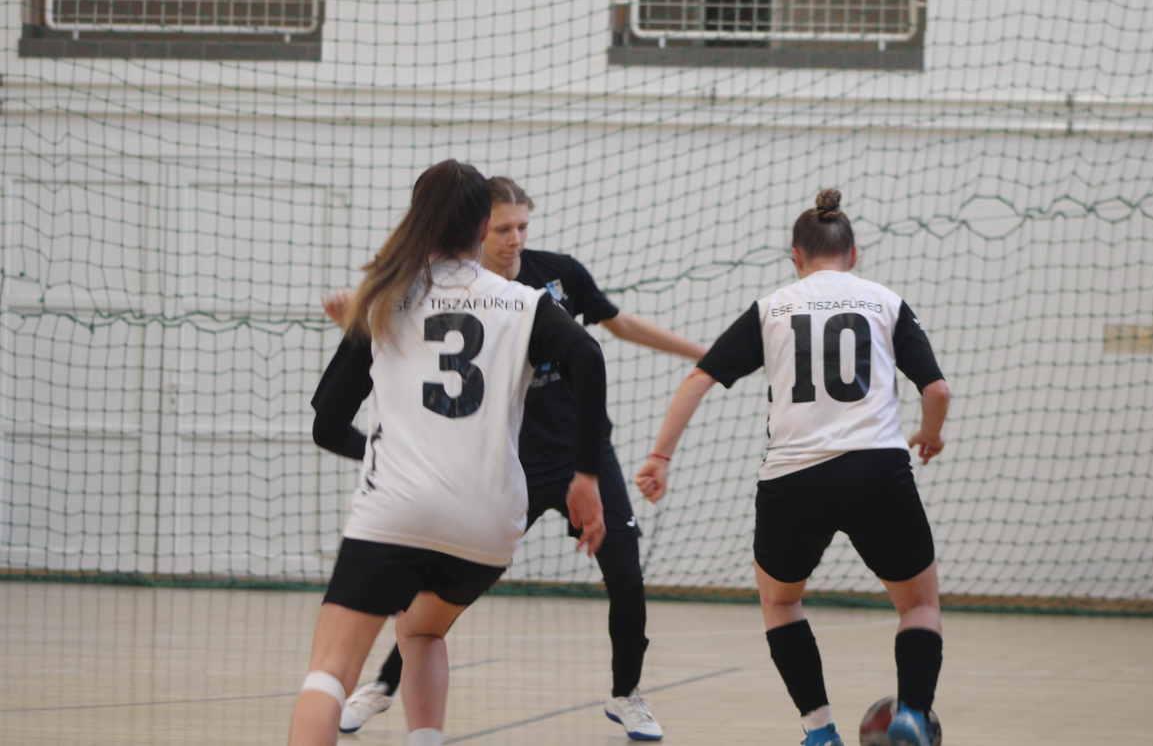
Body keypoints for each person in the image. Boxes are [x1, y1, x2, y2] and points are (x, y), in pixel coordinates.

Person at [326, 176, 707, 741]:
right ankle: (383, 684)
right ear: (477, 231)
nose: (515, 239)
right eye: (503, 229)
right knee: (436, 594)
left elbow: (618, 325)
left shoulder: (558, 277)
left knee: (627, 577)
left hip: (580, 456)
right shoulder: (446, 293)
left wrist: (705, 355)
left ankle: (627, 694)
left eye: (523, 227)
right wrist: (358, 328)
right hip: (506, 463)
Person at [288, 159, 608, 746]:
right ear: (484, 228)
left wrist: (384, 452)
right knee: (421, 632)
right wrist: (585, 475)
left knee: (329, 674)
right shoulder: (523, 302)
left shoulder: (384, 298)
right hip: (485, 524)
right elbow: (588, 356)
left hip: (395, 512)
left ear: (420, 219)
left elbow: (327, 426)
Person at [635, 189, 950, 746]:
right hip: (877, 469)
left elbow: (698, 379)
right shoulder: (884, 301)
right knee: (919, 605)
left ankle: (819, 730)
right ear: (854, 254)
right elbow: (937, 390)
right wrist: (929, 433)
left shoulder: (771, 308)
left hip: (792, 478)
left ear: (795, 257)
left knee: (781, 602)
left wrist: (660, 457)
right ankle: (912, 713)